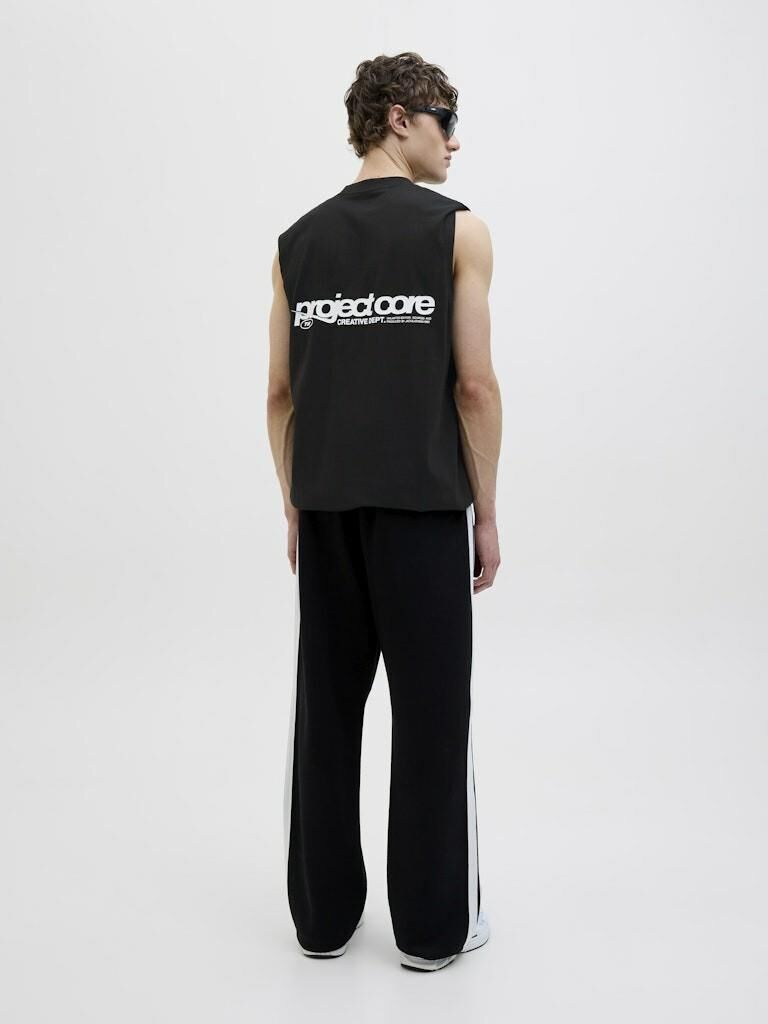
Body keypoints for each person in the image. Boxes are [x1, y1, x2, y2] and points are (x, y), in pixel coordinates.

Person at [266, 51, 502, 972]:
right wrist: (486, 512)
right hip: (421, 510)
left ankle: (322, 923)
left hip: (326, 512)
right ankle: (433, 932)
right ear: (400, 117)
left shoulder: (296, 242)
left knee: (326, 715)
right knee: (432, 717)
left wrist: (295, 503)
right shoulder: (458, 232)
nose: (455, 140)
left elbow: (280, 394)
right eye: (447, 119)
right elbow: (474, 385)